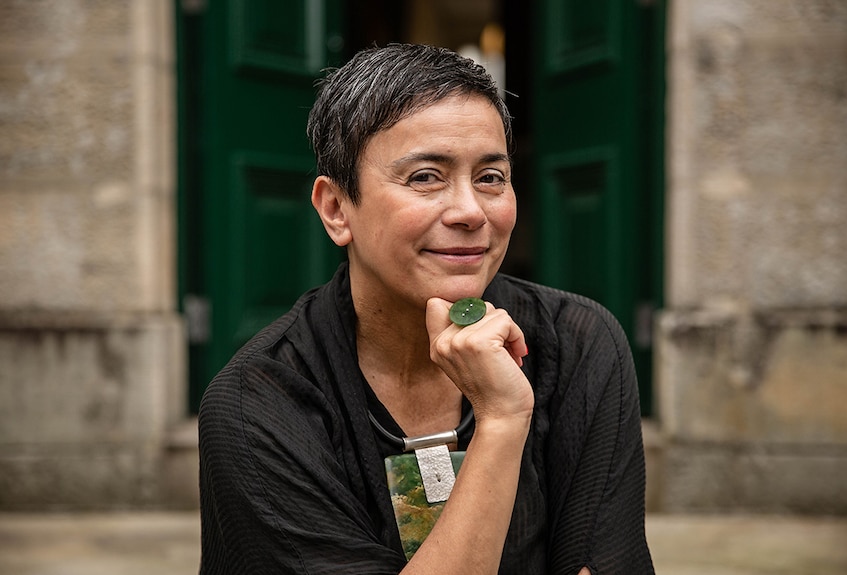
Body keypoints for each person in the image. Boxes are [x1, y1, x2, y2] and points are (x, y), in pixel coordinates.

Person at [198, 43, 654, 575]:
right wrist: (503, 420)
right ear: (336, 208)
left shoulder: (577, 345)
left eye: (491, 177)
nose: (469, 211)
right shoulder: (259, 405)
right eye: (425, 177)